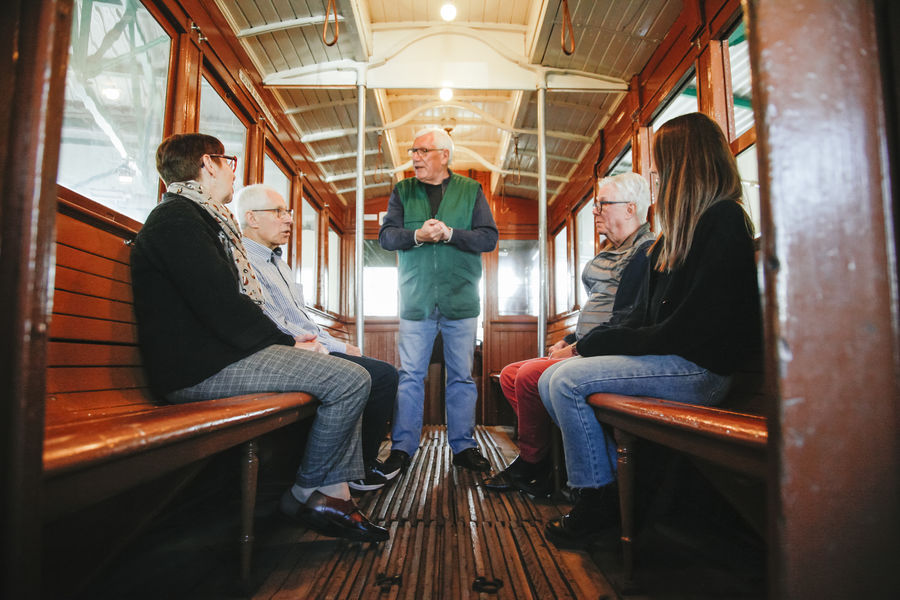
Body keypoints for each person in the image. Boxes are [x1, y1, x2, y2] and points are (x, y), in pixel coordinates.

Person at [130, 133, 388, 543]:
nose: (233, 169)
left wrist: (289, 343)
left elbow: (226, 306)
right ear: (208, 164)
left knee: (348, 374)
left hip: (215, 357)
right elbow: (220, 306)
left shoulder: (201, 218)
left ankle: (331, 492)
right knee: (349, 378)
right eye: (227, 160)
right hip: (197, 370)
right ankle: (311, 492)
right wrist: (288, 343)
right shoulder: (177, 220)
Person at [537, 113, 762, 548]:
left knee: (564, 380)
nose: (654, 179)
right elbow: (655, 321)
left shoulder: (723, 222)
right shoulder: (686, 231)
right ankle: (609, 492)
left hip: (702, 371)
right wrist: (597, 342)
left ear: (684, 166)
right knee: (552, 377)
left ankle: (598, 503)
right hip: (679, 361)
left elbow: (694, 328)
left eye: (659, 168)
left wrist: (605, 341)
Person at [483, 172, 655, 497]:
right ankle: (548, 458)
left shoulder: (644, 253)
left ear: (631, 209)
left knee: (531, 375)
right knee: (510, 375)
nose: (596, 210)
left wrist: (578, 350)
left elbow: (626, 321)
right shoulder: (612, 251)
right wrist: (570, 340)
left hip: (610, 352)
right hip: (587, 345)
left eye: (603, 204)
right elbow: (598, 310)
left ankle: (533, 462)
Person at [235, 184, 400, 492]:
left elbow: (302, 319)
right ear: (251, 218)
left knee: (379, 372)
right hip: (281, 354)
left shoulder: (277, 263)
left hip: (305, 346)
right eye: (279, 212)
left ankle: (359, 465)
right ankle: (353, 471)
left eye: (289, 213)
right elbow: (278, 326)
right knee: (380, 376)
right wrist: (332, 346)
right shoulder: (246, 262)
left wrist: (338, 345)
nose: (288, 220)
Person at [378, 127, 499, 474]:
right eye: (413, 150)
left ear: (444, 155)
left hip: (460, 299)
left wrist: (450, 234)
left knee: (461, 376)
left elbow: (488, 238)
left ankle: (463, 447)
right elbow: (386, 237)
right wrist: (417, 235)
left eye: (422, 151)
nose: (414, 157)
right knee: (410, 375)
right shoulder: (402, 191)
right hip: (415, 301)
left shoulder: (471, 190)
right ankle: (402, 448)